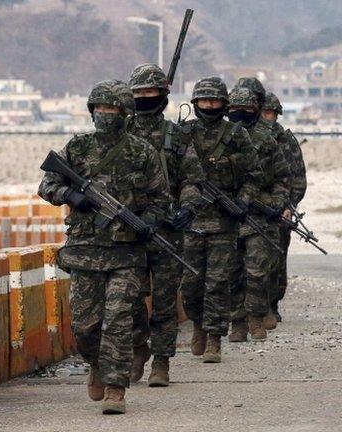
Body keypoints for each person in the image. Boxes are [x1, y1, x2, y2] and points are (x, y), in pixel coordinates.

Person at [38, 79, 171, 414]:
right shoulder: (78, 148)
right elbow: (47, 183)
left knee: (118, 320)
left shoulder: (143, 153)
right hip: (84, 252)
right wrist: (71, 196)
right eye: (99, 108)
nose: (105, 114)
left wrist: (148, 223)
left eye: (111, 109)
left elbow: (160, 199)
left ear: (125, 112)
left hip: (126, 254)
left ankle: (115, 388)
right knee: (85, 326)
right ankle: (97, 365)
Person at [125, 64, 204, 387]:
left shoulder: (178, 135)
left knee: (165, 300)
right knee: (129, 298)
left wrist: (187, 207)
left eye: (150, 92)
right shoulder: (122, 133)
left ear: (162, 95)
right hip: (130, 230)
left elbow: (192, 179)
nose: (144, 98)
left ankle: (161, 361)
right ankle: (137, 348)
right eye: (138, 93)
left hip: (168, 229)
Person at [179, 77, 261, 363]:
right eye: (204, 101)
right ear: (195, 103)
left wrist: (242, 202)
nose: (209, 106)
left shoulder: (236, 136)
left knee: (217, 282)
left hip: (223, 224)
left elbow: (254, 176)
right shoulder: (183, 133)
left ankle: (214, 337)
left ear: (224, 104)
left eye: (214, 101)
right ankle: (199, 324)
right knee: (189, 285)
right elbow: (170, 175)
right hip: (190, 221)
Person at [226, 86, 291, 342]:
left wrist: (277, 202)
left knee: (257, 272)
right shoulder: (220, 137)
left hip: (260, 217)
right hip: (228, 217)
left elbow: (283, 177)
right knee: (232, 273)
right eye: (234, 110)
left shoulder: (268, 140)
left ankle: (255, 317)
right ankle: (237, 322)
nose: (240, 114)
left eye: (245, 110)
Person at [262, 91, 307, 324]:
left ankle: (271, 304)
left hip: (280, 211)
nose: (264, 117)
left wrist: (289, 206)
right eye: (261, 112)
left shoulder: (285, 140)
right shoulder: (243, 136)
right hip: (252, 210)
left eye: (268, 113)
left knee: (276, 260)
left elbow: (298, 179)